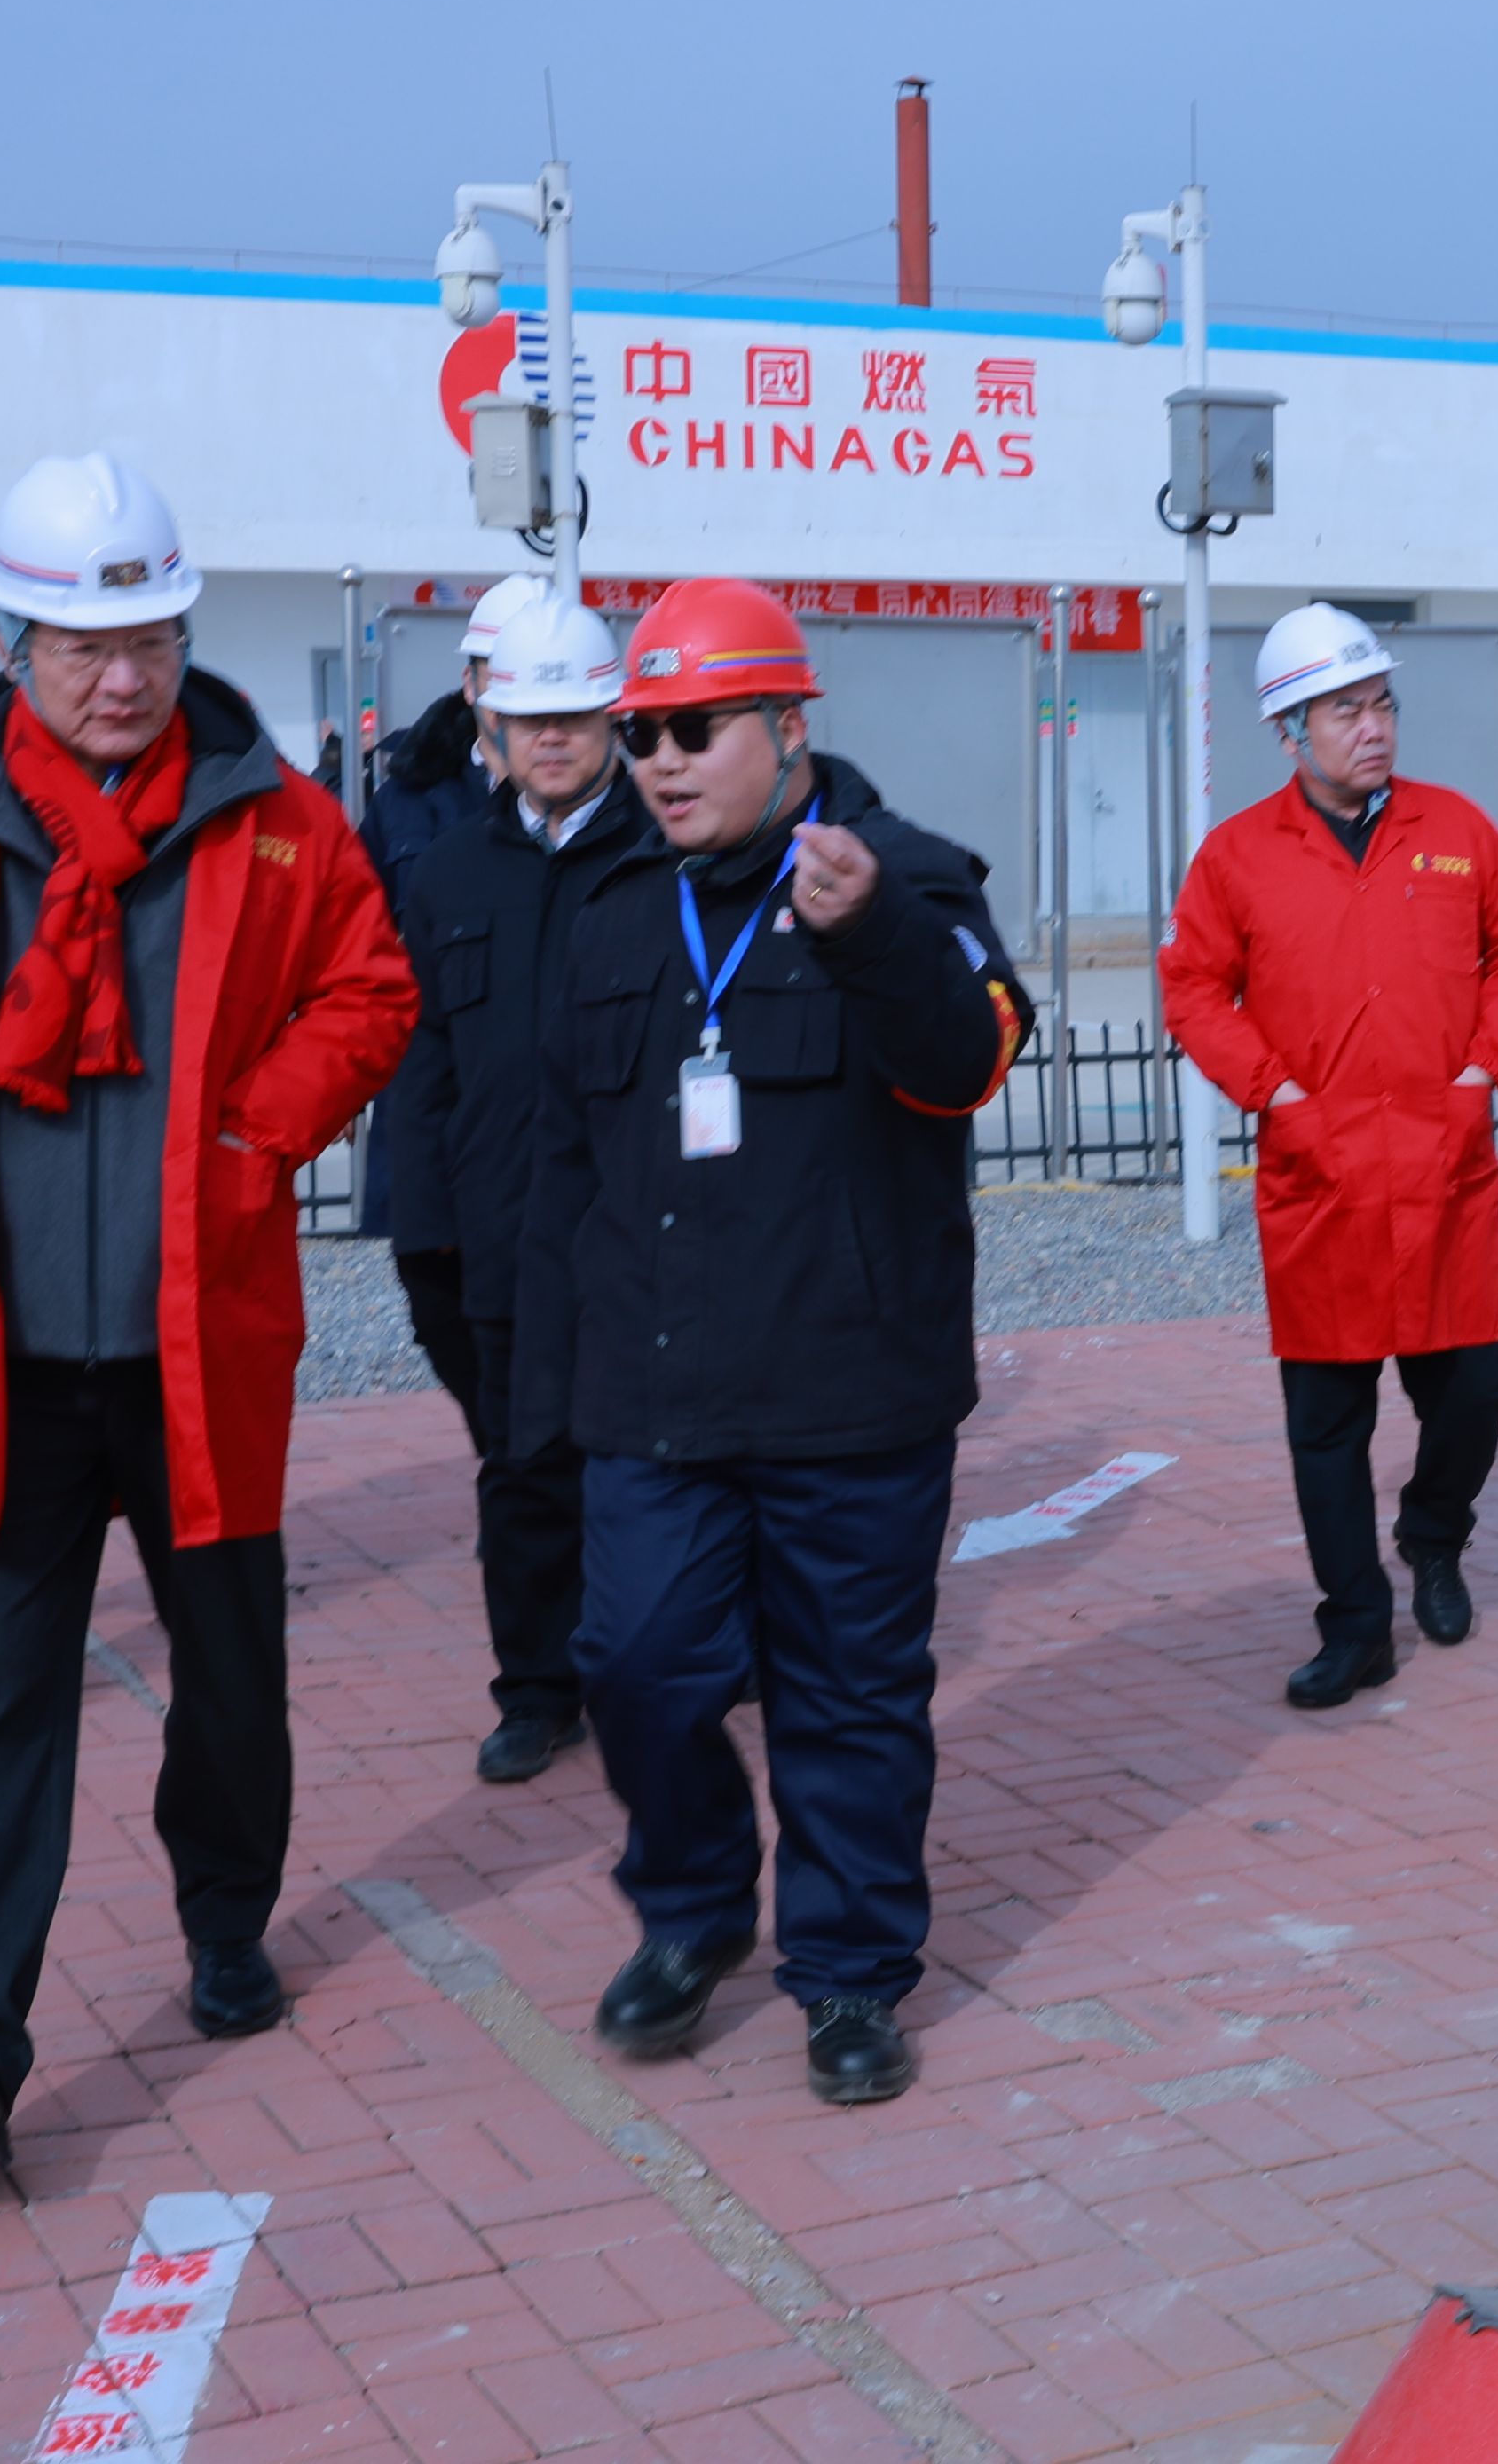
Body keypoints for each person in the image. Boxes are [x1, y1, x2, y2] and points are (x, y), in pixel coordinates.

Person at [0, 454, 415, 2180]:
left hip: (198, 1347)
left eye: (149, 639)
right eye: (83, 647)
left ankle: (227, 1921)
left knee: (229, 1676)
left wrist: (255, 1134)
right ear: (15, 646)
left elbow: (371, 989)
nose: (122, 679)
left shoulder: (277, 817)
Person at [519, 578, 1024, 2106]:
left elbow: (969, 1061)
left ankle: (851, 1976)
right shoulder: (611, 906)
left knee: (848, 1701)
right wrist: (547, 1388)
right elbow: (566, 1167)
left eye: (697, 729)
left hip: (851, 1394)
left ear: (790, 727)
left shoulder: (903, 877)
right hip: (656, 1393)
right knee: (636, 1665)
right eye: (643, 735)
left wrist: (870, 933)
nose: (663, 762)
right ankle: (692, 1909)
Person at [1158, 603, 1498, 1711]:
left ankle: (1433, 1534)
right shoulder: (1239, 857)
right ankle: (1356, 1626)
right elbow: (1193, 987)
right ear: (1289, 730)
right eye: (1345, 711)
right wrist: (1274, 1092)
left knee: (1473, 1391)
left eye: (1382, 704)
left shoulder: (1454, 829)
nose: (1374, 727)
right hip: (1321, 1176)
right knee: (1327, 1423)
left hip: (1442, 1163)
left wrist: (1484, 1066)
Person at [393, 588, 644, 1787]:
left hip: (643, 1231)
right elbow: (422, 1064)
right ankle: (538, 1691)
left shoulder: (667, 855)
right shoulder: (448, 873)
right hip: (499, 1231)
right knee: (524, 1469)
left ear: (613, 721)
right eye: (530, 718)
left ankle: (683, 1656)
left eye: (576, 718)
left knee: (662, 1460)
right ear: (490, 723)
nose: (552, 738)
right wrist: (423, 1226)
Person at [358, 580, 542, 1421]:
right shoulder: (410, 796)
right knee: (449, 1324)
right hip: (435, 1115)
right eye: (501, 674)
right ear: (470, 684)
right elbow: (357, 937)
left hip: (551, 1123)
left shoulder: (616, 799)